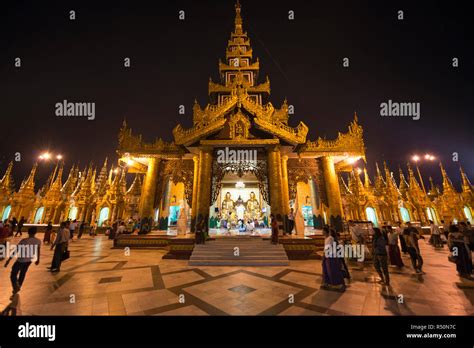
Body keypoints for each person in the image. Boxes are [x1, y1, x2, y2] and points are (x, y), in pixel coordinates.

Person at [4, 227, 41, 295]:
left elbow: (16, 250)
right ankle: (18, 286)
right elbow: (38, 251)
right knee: (23, 273)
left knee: (13, 273)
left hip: (21, 260)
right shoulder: (38, 241)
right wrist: (38, 259)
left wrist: (9, 260)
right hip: (29, 260)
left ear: (28, 232)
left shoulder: (24, 241)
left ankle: (16, 286)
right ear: (35, 232)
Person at [321, 227, 346, 291]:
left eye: (323, 231)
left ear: (326, 231)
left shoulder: (330, 238)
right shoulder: (326, 238)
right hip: (327, 255)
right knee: (327, 269)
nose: (322, 232)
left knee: (332, 269)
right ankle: (328, 283)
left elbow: (328, 248)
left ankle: (337, 284)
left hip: (330, 256)